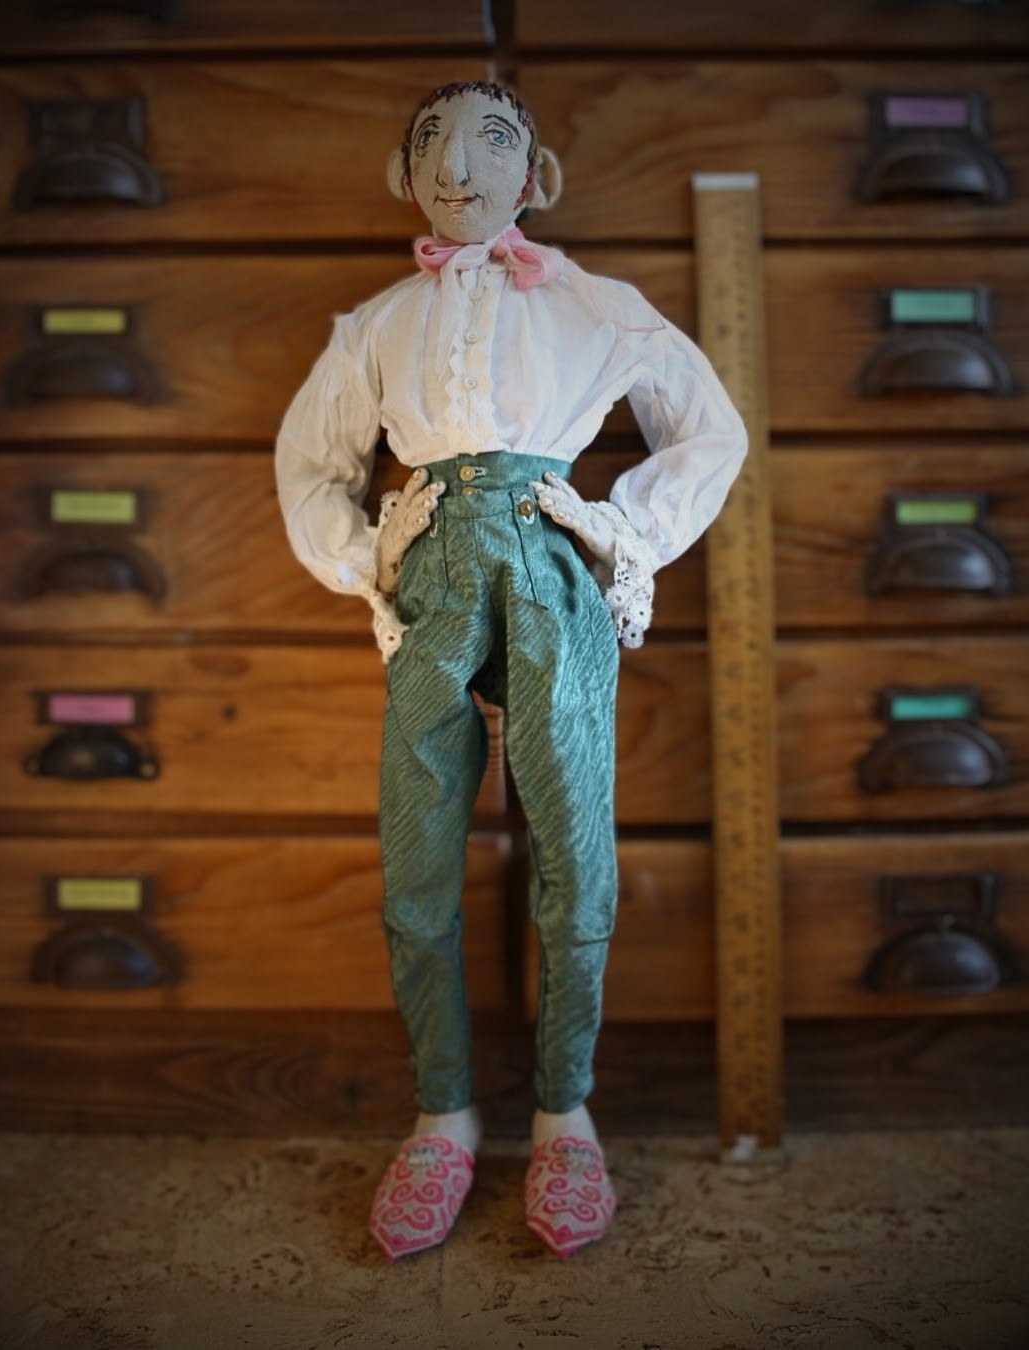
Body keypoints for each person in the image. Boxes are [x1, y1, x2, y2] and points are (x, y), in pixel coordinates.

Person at [275, 79, 747, 1261]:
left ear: (537, 179)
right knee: (416, 843)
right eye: (431, 141)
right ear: (403, 175)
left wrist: (619, 525)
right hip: (430, 584)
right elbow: (309, 461)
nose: (460, 163)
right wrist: (363, 553)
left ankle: (564, 1112)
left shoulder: (596, 305)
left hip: (553, 571)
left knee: (576, 843)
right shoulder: (377, 327)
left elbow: (711, 429)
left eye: (493, 141)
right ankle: (444, 1107)